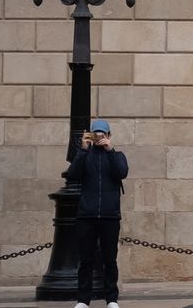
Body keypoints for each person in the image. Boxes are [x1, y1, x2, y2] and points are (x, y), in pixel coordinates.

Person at [67, 119, 128, 308]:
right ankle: (83, 300)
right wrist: (83, 150)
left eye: (103, 134)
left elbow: (122, 172)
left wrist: (110, 151)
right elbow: (73, 174)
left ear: (109, 136)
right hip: (87, 215)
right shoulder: (85, 155)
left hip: (110, 215)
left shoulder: (117, 155)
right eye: (96, 134)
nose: (100, 137)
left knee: (110, 259)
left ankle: (111, 299)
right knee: (86, 260)